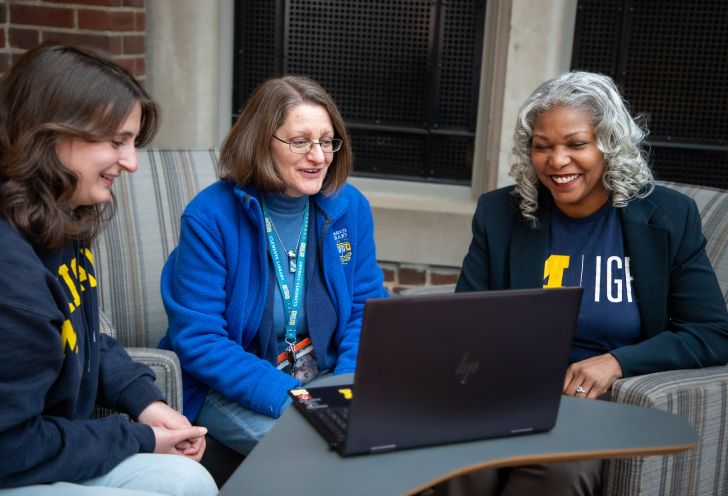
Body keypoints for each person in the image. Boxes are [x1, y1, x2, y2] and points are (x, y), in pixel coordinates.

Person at [448, 71, 728, 495]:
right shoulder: (500, 213)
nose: (557, 161)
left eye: (576, 144)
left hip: (597, 406)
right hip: (509, 390)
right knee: (460, 463)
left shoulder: (667, 218)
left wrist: (617, 362)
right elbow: (465, 318)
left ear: (609, 144)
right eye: (543, 147)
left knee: (559, 472)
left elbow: (713, 332)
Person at [0, 44, 217, 496]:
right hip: (15, 460)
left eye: (133, 142)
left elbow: (81, 334)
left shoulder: (60, 215)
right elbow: (11, 445)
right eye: (116, 141)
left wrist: (144, 400)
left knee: (189, 482)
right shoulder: (12, 275)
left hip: (47, 446)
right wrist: (141, 438)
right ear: (52, 132)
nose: (132, 162)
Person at [160, 75, 387, 455]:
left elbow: (366, 308)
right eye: (299, 142)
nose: (318, 156)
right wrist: (295, 399)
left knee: (393, 436)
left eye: (327, 141)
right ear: (261, 142)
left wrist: (345, 388)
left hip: (327, 377)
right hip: (233, 386)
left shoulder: (350, 207)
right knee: (316, 452)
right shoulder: (209, 217)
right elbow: (199, 340)